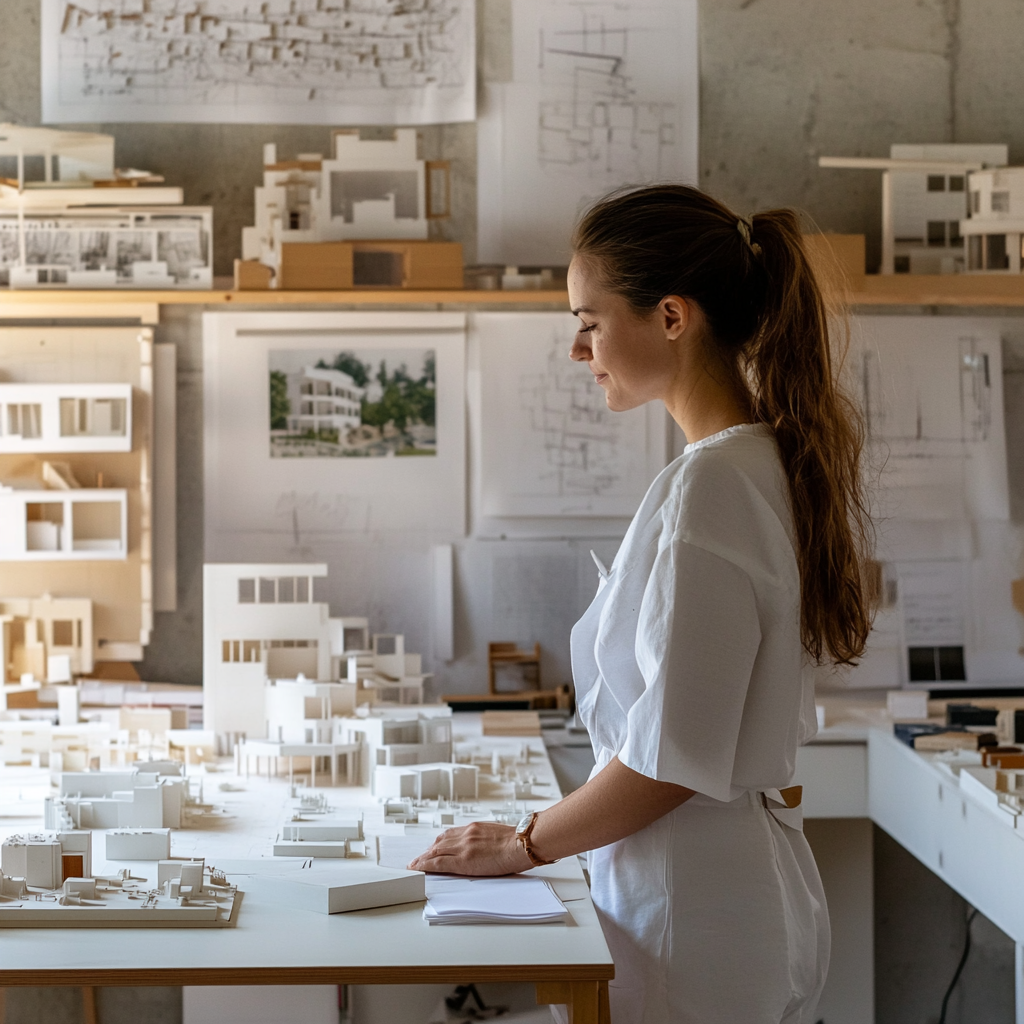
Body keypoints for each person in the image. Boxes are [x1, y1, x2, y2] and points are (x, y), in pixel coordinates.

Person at [409, 185, 873, 1024]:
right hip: (706, 892)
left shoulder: (714, 486)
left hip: (694, 912)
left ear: (670, 316)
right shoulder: (747, 465)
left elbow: (670, 757)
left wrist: (521, 843)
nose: (580, 349)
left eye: (590, 320)